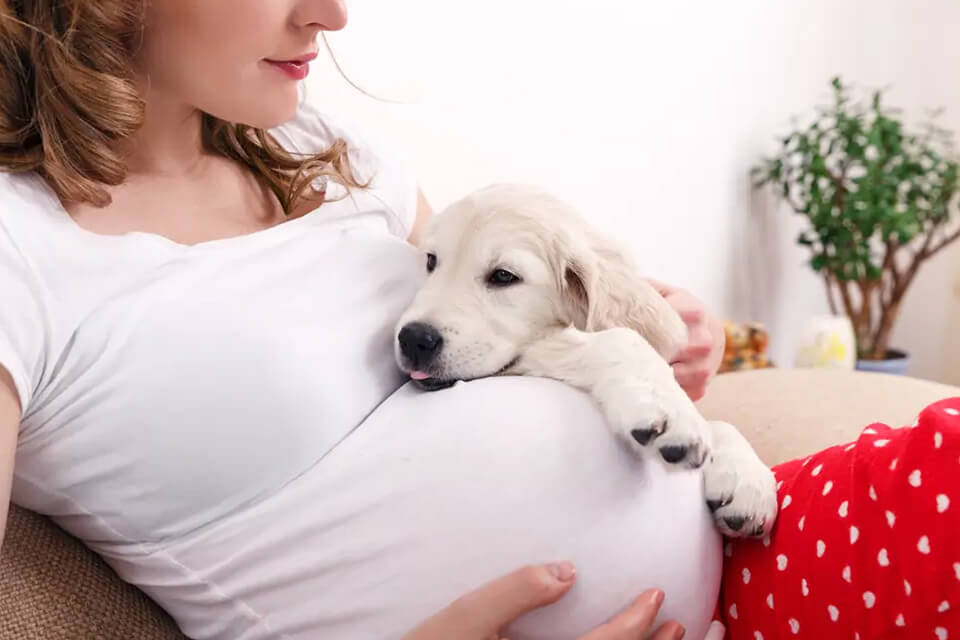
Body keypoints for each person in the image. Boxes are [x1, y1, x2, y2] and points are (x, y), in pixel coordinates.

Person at [0, 1, 728, 639]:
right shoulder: (20, 246)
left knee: (850, 479)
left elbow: (495, 320)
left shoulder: (326, 151)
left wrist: (667, 338)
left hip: (744, 563)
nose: (332, 14)